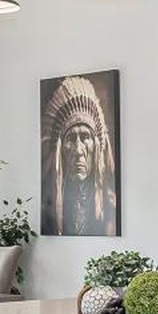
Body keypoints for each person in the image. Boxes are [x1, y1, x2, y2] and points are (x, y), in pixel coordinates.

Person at [41, 74, 118, 236]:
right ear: (60, 150)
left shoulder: (111, 208)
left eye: (85, 137)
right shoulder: (45, 212)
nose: (78, 150)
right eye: (70, 138)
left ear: (96, 146)